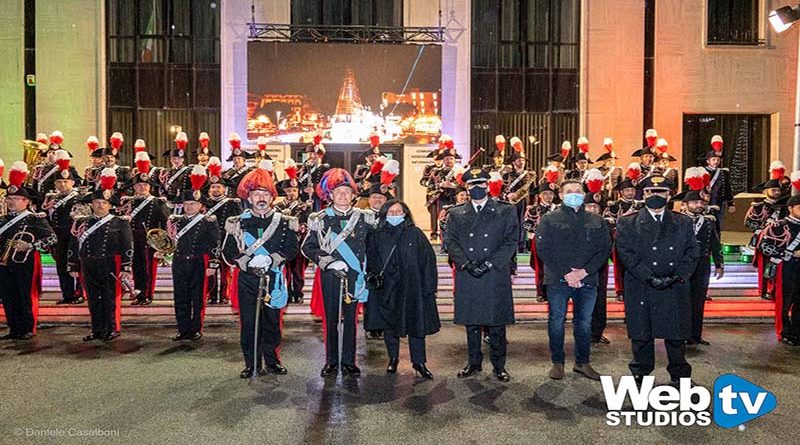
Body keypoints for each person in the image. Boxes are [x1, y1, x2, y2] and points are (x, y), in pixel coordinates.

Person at [616, 175, 699, 386]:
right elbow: (625, 253)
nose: (655, 195)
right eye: (650, 191)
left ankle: (680, 376)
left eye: (661, 191)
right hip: (642, 284)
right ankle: (640, 375)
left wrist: (677, 276)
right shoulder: (628, 222)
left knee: (676, 335)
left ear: (669, 195)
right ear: (642, 195)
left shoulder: (683, 221)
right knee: (642, 335)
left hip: (674, 285)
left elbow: (692, 253)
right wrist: (649, 276)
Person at [222, 161, 300, 378]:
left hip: (274, 278)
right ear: (248, 197)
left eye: (265, 193)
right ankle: (252, 363)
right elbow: (228, 251)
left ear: (272, 197)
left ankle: (273, 361)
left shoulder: (284, 222)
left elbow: (292, 248)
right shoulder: (237, 222)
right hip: (247, 279)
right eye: (256, 194)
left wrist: (273, 260)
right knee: (249, 323)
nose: (261, 198)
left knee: (273, 323)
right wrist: (246, 262)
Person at [444, 168, 518, 382]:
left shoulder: (505, 210)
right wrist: (466, 264)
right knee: (472, 323)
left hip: (494, 272)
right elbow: (451, 241)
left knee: (496, 323)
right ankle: (473, 363)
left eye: (481, 184)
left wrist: (489, 263)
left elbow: (511, 240)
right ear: (466, 188)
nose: (477, 188)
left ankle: (499, 365)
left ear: (488, 185)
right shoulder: (456, 213)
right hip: (468, 272)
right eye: (472, 185)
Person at [302, 168, 377, 378]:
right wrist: (328, 262)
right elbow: (308, 247)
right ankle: (331, 361)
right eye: (338, 192)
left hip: (355, 276)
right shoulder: (320, 219)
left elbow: (374, 247)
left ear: (353, 196)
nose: (343, 195)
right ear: (330, 195)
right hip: (330, 275)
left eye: (347, 192)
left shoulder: (364, 218)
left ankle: (349, 361)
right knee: (331, 319)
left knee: (352, 319)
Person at [535, 180, 611, 381]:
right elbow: (543, 249)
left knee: (584, 323)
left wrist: (584, 272)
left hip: (587, 279)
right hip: (558, 279)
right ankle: (557, 362)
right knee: (556, 321)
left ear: (584, 194)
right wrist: (567, 273)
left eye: (578, 191)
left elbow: (604, 249)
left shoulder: (597, 220)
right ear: (560, 195)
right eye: (569, 191)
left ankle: (582, 363)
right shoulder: (549, 219)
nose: (574, 194)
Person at [365, 199, 440, 379]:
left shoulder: (415, 234)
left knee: (416, 326)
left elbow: (428, 261)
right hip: (388, 288)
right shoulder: (376, 234)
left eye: (398, 212)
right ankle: (393, 358)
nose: (395, 215)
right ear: (384, 215)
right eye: (390, 212)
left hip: (413, 288)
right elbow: (372, 260)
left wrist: (429, 287)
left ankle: (419, 362)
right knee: (389, 325)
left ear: (405, 214)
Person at [68, 168, 134, 342]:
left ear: (110, 205)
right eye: (97, 202)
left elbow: (128, 245)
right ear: (91, 204)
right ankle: (97, 329)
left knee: (110, 298)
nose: (100, 205)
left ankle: (112, 328)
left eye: (104, 202)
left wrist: (126, 266)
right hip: (88, 262)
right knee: (93, 298)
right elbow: (74, 243)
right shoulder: (82, 222)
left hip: (110, 262)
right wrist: (73, 264)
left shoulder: (120, 222)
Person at [0, 162, 57, 340]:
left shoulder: (34, 218)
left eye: (15, 199)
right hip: (4, 263)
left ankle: (27, 328)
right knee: (9, 296)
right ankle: (14, 328)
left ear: (26, 201)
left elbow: (52, 238)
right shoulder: (2, 219)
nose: (11, 202)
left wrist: (30, 246)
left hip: (25, 262)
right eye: (9, 199)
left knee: (26, 295)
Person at [167, 166, 220, 341]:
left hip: (199, 262)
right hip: (180, 261)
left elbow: (215, 244)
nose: (189, 207)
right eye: (187, 204)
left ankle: (196, 328)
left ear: (200, 205)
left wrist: (213, 264)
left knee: (197, 297)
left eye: (193, 204)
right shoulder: (176, 221)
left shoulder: (208, 221)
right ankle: (183, 329)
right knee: (180, 296)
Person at [676, 184, 723, 346]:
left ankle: (696, 334)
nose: (699, 205)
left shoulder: (709, 221)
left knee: (699, 300)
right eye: (695, 202)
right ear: (685, 204)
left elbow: (715, 243)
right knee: (682, 300)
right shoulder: (677, 220)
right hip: (682, 264)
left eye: (701, 203)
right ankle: (681, 334)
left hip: (702, 263)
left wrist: (719, 263)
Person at [121, 153, 169, 306]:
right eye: (139, 185)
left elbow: (165, 224)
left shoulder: (157, 203)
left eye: (145, 185)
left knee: (148, 269)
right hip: (132, 239)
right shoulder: (129, 202)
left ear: (150, 187)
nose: (142, 187)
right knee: (136, 268)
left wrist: (162, 246)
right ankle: (139, 293)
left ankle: (147, 295)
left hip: (150, 239)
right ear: (134, 187)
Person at [757, 195, 800, 346]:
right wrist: (790, 253)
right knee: (784, 301)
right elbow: (764, 246)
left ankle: (797, 331)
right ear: (790, 208)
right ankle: (783, 332)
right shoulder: (779, 226)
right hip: (786, 267)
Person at [42, 154, 84, 305]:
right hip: (58, 236)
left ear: (72, 182)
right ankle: (67, 294)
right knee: (61, 266)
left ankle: (79, 293)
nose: (62, 185)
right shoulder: (52, 199)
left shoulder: (79, 198)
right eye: (59, 182)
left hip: (74, 236)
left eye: (66, 182)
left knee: (75, 264)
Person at [203, 156, 243, 305]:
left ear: (224, 188)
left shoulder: (233, 203)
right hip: (209, 241)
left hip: (226, 239)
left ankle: (225, 295)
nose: (215, 189)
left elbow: (239, 222)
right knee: (211, 269)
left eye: (218, 187)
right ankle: (212, 295)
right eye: (213, 187)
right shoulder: (204, 204)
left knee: (226, 270)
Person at [745, 178, 788, 300]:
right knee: (764, 265)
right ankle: (764, 290)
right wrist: (765, 227)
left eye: (778, 190)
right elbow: (749, 222)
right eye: (773, 190)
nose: (776, 193)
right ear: (765, 191)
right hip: (764, 239)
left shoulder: (784, 205)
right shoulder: (759, 206)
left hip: (780, 240)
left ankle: (774, 290)